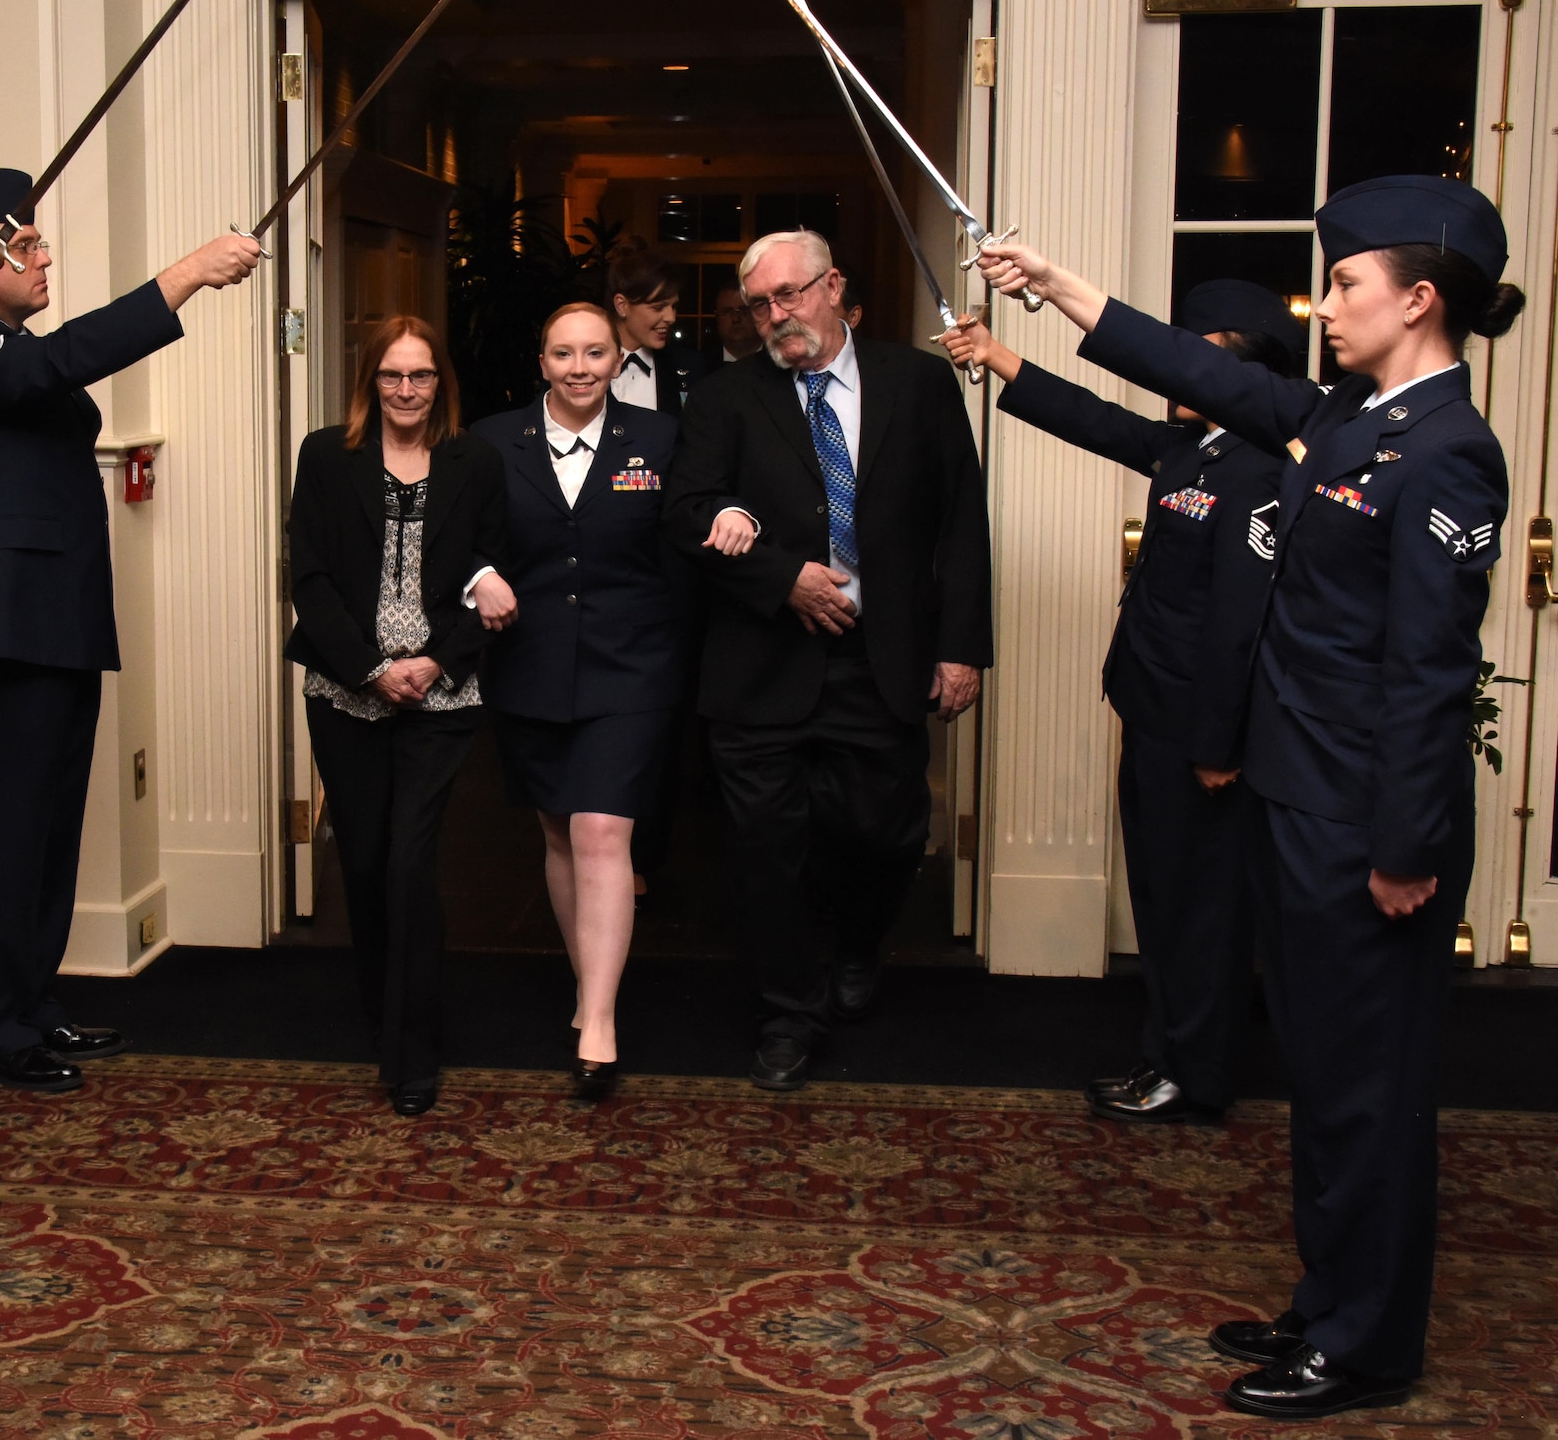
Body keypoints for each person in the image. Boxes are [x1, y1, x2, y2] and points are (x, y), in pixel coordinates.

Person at [971, 175, 1521, 1420]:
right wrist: (1054, 287)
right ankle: (1328, 1302)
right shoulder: (1348, 418)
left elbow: (1427, 676)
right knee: (1326, 1083)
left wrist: (1403, 847)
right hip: (1296, 801)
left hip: (1363, 829)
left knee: (1366, 1093)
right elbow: (1213, 385)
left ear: (1417, 299)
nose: (1321, 308)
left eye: (1343, 286)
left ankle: (1367, 1344)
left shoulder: (1444, 452)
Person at [0, 169, 262, 1094]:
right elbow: (51, 365)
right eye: (25, 246)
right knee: (6, 838)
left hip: (56, 625)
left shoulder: (7, 347)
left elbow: (50, 373)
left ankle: (29, 1003)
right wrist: (184, 273)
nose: (45, 254)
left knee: (52, 831)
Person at [942, 281, 1302, 1127]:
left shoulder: (1259, 462)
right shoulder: (1192, 447)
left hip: (1202, 735)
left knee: (1202, 912)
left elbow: (1238, 623)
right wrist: (997, 358)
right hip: (1154, 715)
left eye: (1197, 350)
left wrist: (1219, 743)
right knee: (1166, 901)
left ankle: (1195, 1072)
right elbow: (1095, 419)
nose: (1176, 365)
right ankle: (1167, 1053)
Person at [664, 229, 992, 1090]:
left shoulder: (917, 383)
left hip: (881, 658)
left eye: (790, 295)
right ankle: (789, 1009)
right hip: (762, 663)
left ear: (834, 286)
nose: (776, 317)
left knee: (888, 833)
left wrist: (962, 648)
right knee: (767, 852)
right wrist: (783, 579)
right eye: (760, 305)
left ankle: (856, 944)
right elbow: (685, 512)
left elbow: (960, 519)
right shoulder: (725, 399)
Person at [471, 303, 705, 1098]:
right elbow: (461, 535)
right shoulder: (492, 440)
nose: (579, 367)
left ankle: (599, 1019)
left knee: (603, 829)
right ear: (541, 361)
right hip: (529, 664)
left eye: (595, 352)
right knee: (561, 834)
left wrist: (736, 515)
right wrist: (478, 575)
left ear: (617, 359)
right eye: (564, 353)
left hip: (631, 667)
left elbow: (692, 522)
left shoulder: (660, 439)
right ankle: (587, 984)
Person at [286, 316, 508, 1117]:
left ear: (440, 382)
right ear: (369, 382)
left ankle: (412, 1050)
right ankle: (383, 1011)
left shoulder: (474, 461)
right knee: (370, 865)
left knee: (411, 864)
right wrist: (372, 669)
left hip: (443, 695)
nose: (406, 391)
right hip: (346, 695)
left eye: (420, 376)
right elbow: (307, 575)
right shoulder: (325, 454)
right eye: (391, 376)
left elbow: (491, 572)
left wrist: (433, 662)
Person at [606, 239, 709, 413]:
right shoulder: (584, 365)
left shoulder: (689, 366)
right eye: (658, 307)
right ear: (622, 305)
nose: (671, 317)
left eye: (673, 306)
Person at [703, 282, 760, 374]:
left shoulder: (779, 363)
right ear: (717, 317)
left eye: (743, 310)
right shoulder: (700, 367)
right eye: (727, 312)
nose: (735, 318)